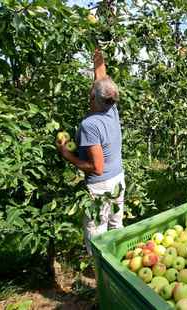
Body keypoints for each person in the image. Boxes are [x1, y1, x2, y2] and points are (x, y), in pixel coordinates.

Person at [56, 49, 124, 254]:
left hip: (101, 186)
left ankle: (103, 276)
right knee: (116, 226)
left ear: (94, 97)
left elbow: (96, 167)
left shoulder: (90, 125)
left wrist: (66, 154)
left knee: (97, 235)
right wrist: (97, 51)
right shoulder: (111, 107)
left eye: (92, 90)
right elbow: (101, 77)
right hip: (118, 179)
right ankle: (121, 268)